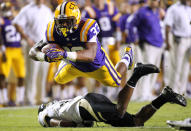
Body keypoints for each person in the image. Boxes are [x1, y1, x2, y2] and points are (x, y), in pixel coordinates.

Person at [29, 1, 160, 116]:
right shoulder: (52, 29)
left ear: (76, 19)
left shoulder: (87, 26)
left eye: (67, 21)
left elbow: (90, 55)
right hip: (73, 64)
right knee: (58, 79)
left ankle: (127, 57)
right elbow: (32, 52)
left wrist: (63, 55)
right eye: (60, 21)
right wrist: (45, 57)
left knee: (116, 81)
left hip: (96, 64)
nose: (63, 25)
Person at [38, 83, 187, 127]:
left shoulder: (45, 112)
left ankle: (137, 74)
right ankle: (164, 97)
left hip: (85, 107)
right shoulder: (57, 104)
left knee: (119, 112)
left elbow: (54, 123)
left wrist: (73, 125)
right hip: (88, 102)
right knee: (136, 122)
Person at [13, 0, 53, 105]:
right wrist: (27, 38)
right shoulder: (27, 9)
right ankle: (29, 99)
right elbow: (16, 23)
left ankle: (41, 98)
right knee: (32, 73)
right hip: (33, 45)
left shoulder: (47, 10)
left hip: (45, 46)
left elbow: (51, 27)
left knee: (43, 73)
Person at [127, 0, 164, 101]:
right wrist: (133, 38)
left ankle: (148, 93)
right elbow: (131, 25)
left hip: (158, 44)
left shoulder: (157, 12)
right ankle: (142, 94)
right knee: (147, 69)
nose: (153, 2)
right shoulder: (142, 11)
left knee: (155, 71)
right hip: (147, 44)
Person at [0, 2, 25, 106]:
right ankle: (3, 100)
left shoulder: (16, 20)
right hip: (7, 50)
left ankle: (20, 100)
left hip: (18, 49)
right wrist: (2, 50)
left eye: (8, 9)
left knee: (21, 76)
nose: (7, 11)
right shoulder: (1, 21)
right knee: (2, 76)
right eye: (5, 9)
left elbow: (22, 32)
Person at [164, 0, 191, 95]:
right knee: (176, 66)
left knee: (186, 66)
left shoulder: (189, 8)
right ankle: (173, 91)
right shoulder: (173, 8)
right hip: (178, 40)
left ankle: (182, 91)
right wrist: (167, 42)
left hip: (189, 39)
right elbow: (167, 26)